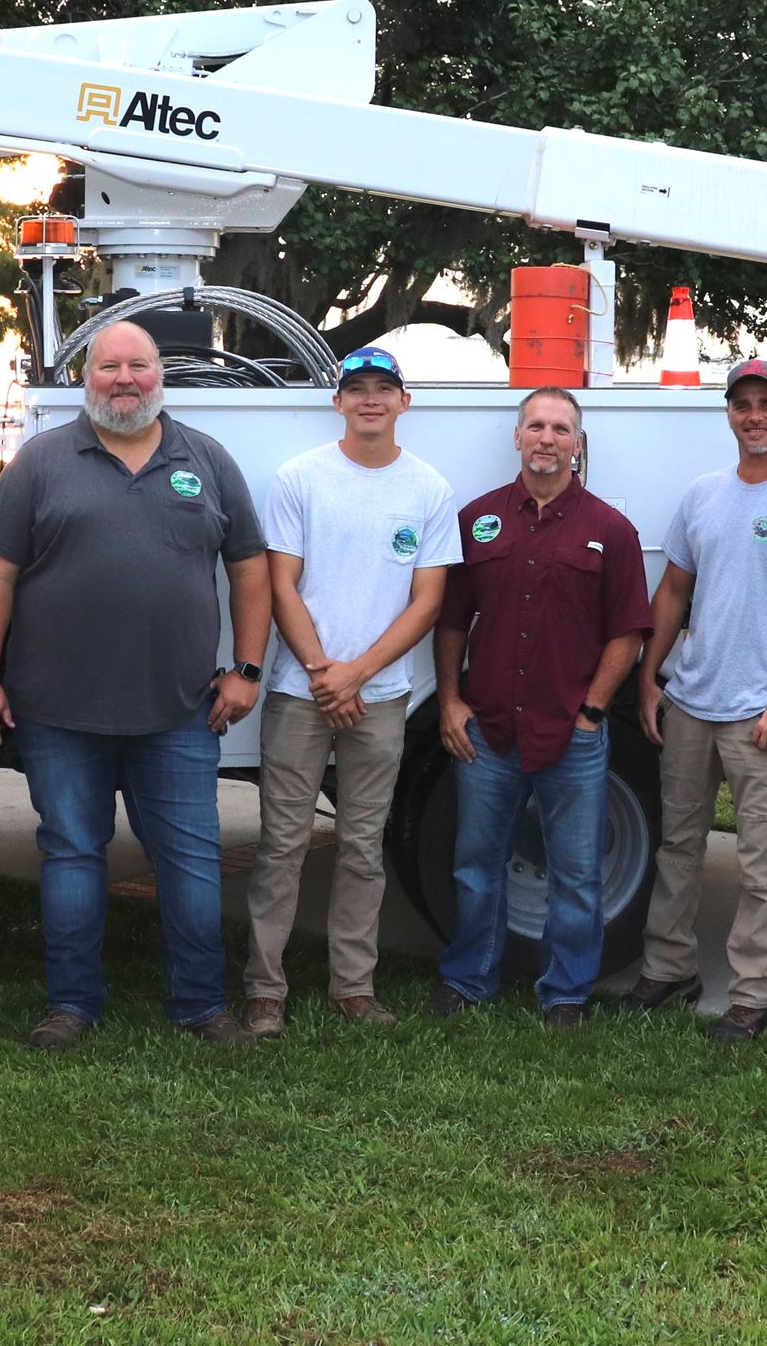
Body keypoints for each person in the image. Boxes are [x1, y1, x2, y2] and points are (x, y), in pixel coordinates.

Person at [0, 319, 272, 1050]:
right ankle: (71, 1005)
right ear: (85, 378)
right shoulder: (40, 461)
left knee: (191, 861)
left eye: (138, 365)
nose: (124, 379)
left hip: (179, 710)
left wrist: (248, 668)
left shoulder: (207, 458)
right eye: (109, 367)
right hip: (57, 711)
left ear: (160, 375)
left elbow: (251, 567)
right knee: (72, 854)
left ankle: (201, 1004)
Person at [626, 358, 767, 1042]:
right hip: (691, 701)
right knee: (677, 847)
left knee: (760, 863)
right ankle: (669, 968)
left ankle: (755, 997)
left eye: (766, 403)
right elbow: (672, 590)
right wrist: (649, 672)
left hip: (760, 716)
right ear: (728, 413)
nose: (754, 414)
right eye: (742, 403)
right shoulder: (703, 495)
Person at [240, 347, 457, 1037]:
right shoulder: (301, 478)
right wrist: (323, 672)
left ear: (403, 401)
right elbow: (281, 584)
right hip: (298, 691)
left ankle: (352, 987)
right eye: (356, 388)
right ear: (337, 401)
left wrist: (356, 672)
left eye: (383, 389)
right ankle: (265, 990)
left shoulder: (428, 489)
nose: (370, 399)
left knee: (364, 844)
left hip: (382, 693)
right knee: (282, 843)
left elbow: (427, 602)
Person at [429, 388, 651, 1028]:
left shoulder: (610, 529)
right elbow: (451, 622)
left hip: (572, 735)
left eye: (561, 429)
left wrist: (594, 711)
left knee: (578, 874)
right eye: (536, 426)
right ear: (518, 437)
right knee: (476, 864)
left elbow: (628, 632)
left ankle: (567, 993)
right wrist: (449, 700)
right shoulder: (479, 519)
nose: (547, 438)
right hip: (489, 730)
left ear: (578, 444)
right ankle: (470, 978)